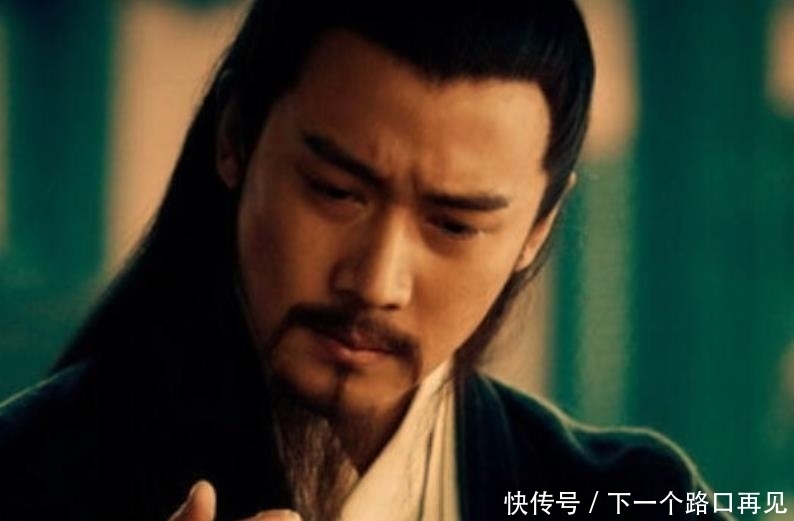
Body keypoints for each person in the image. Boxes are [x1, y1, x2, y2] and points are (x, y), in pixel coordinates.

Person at [0, 2, 735, 520]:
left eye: (454, 224)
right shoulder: (29, 472)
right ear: (236, 137)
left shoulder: (635, 499)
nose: (377, 281)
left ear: (537, 230)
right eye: (335, 192)